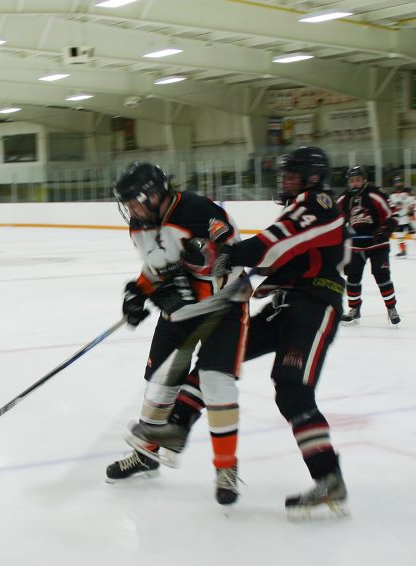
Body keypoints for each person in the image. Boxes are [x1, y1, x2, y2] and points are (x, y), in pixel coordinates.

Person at [149, 147, 350, 519]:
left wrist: (229, 254)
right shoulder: (303, 205)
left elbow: (273, 244)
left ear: (312, 177)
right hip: (288, 305)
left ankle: (329, 478)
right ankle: (177, 426)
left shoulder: (318, 203)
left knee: (292, 390)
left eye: (293, 174)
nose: (285, 180)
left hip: (315, 306)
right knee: (219, 357)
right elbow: (280, 254)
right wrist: (244, 274)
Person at [104, 162, 250, 506]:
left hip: (223, 306)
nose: (131, 211)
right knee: (159, 383)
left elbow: (230, 264)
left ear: (155, 195)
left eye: (134, 202)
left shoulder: (200, 212)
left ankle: (226, 469)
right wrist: (137, 293)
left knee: (216, 384)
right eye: (126, 204)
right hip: (181, 313)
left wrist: (182, 288)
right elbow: (157, 270)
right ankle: (146, 454)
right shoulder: (140, 225)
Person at [337, 166, 399, 325]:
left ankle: (391, 308)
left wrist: (385, 231)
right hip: (355, 246)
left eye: (358, 180)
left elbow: (394, 215)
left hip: (377, 244)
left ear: (364, 180)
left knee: (382, 275)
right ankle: (354, 309)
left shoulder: (376, 194)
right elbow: (335, 220)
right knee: (352, 277)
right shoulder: (343, 199)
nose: (355, 183)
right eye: (352, 181)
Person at [388, 176, 416, 257]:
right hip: (398, 220)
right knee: (399, 235)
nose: (398, 184)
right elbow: (391, 206)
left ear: (402, 183)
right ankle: (403, 251)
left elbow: (412, 203)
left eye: (400, 182)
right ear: (394, 184)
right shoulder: (392, 195)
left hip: (408, 219)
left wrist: (411, 208)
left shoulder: (408, 192)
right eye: (397, 182)